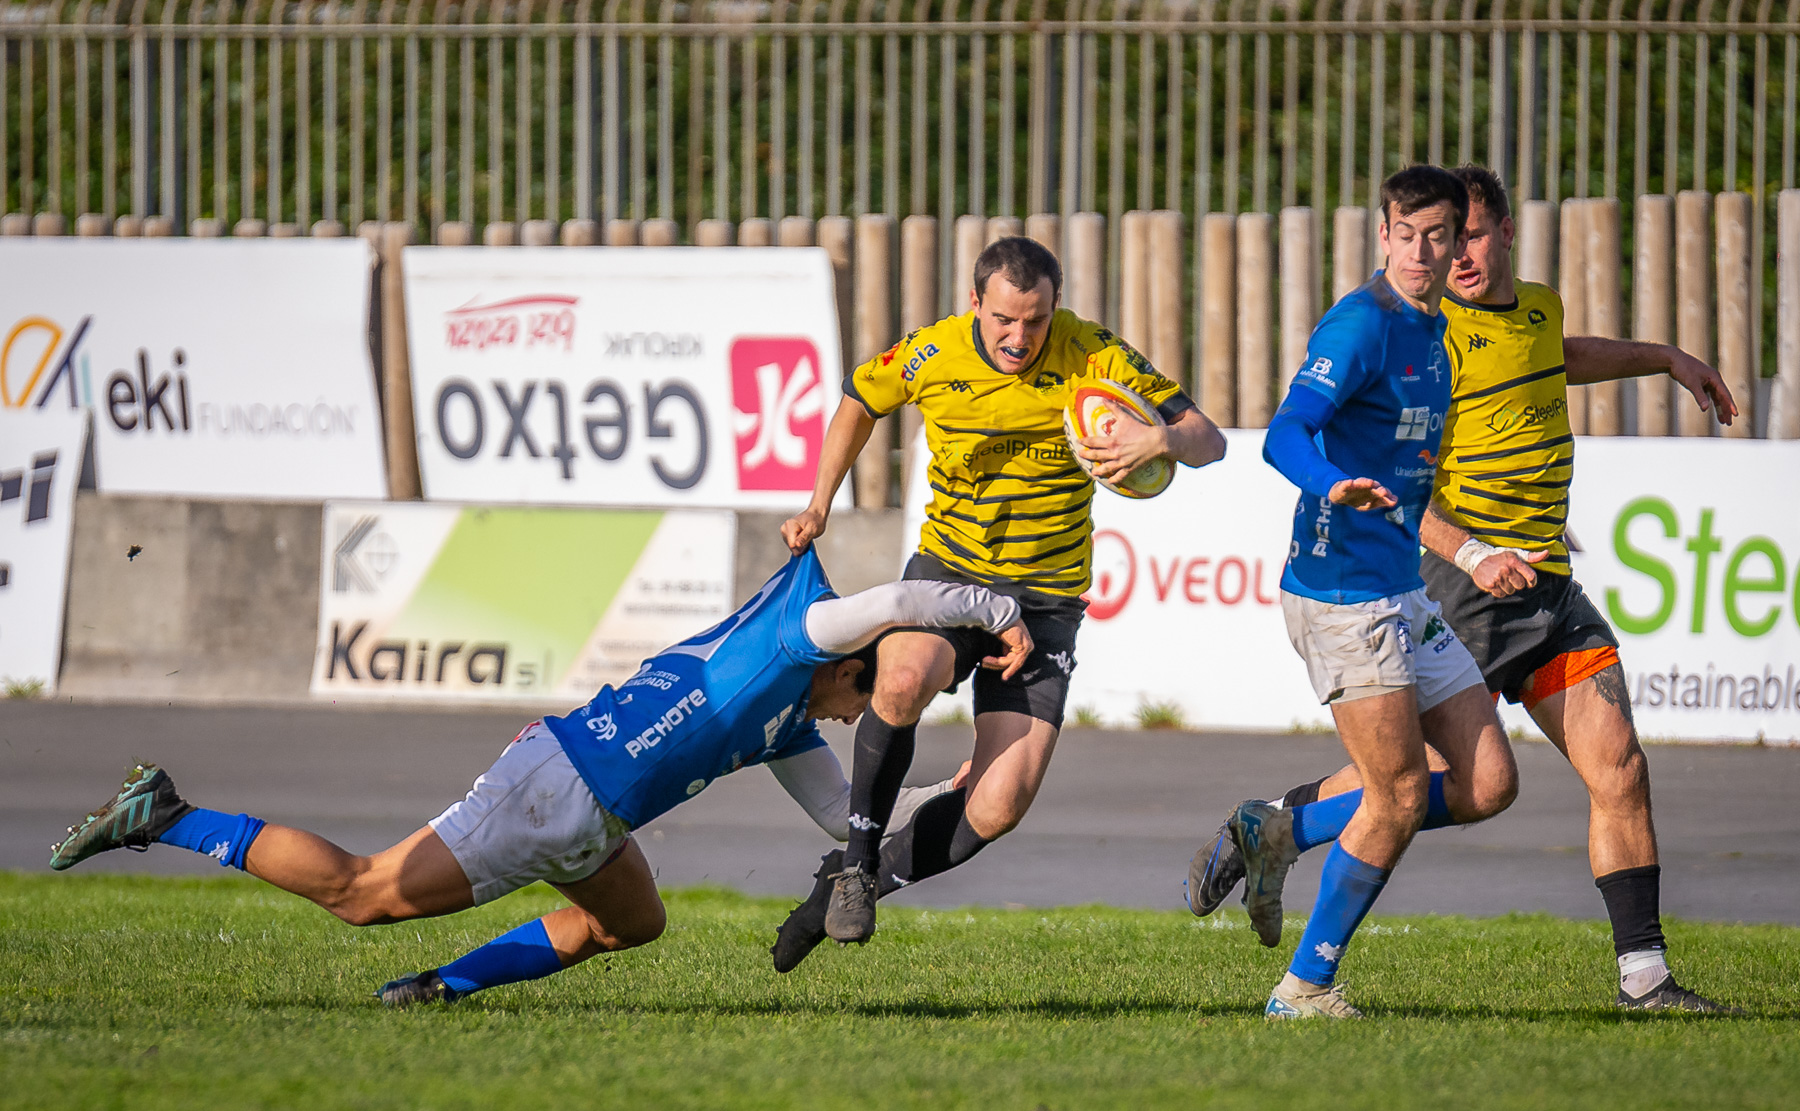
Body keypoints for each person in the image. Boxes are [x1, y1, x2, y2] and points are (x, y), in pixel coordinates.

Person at [1186, 164, 1740, 1013]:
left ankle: (1646, 977)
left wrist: (1661, 357)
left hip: (1544, 587)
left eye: (1462, 235)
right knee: (1407, 782)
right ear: (1390, 238)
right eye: (1430, 238)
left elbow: (1552, 354)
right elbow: (1324, 444)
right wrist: (1454, 541)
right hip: (1454, 582)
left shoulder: (1520, 312)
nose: (1451, 256)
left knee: (1602, 769)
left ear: (1501, 232)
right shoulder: (1406, 331)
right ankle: (1289, 870)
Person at [48, 549, 1027, 1006]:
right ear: (852, 667)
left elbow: (850, 816)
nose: (870, 719)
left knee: (630, 924)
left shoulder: (789, 727)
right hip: (553, 784)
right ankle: (163, 814)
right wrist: (987, 607)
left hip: (590, 815)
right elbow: (900, 597)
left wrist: (971, 788)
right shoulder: (792, 642)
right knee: (363, 893)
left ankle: (443, 988)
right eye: (876, 699)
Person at [772, 235, 1227, 968]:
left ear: (1056, 308)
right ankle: (856, 858)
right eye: (1004, 321)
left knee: (998, 805)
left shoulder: (1093, 352)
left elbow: (1209, 439)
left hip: (1046, 597)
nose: (1020, 338)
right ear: (974, 304)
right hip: (951, 572)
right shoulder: (931, 353)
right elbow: (860, 399)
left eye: (1037, 320)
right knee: (902, 677)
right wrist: (820, 502)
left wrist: (1162, 439)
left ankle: (847, 887)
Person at [1241, 164, 1525, 1020]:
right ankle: (1303, 989)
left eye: (1439, 235)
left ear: (1459, 238)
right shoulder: (1361, 324)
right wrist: (1330, 484)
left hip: (1399, 587)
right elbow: (1284, 432)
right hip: (1341, 593)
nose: (1422, 252)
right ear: (1384, 237)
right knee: (1398, 793)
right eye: (1406, 235)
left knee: (1488, 784)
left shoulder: (1437, 334)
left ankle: (1280, 830)